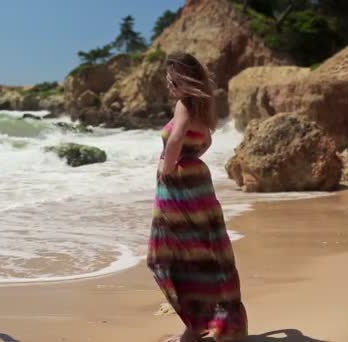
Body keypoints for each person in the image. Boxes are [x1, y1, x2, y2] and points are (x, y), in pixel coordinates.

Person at [147, 53, 248, 342]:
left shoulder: (183, 106)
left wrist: (166, 168)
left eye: (170, 80)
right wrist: (190, 159)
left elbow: (177, 137)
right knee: (205, 251)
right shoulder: (202, 108)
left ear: (181, 79)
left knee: (164, 254)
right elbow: (205, 140)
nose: (168, 87)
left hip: (178, 184)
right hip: (199, 183)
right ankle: (211, 325)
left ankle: (195, 327)